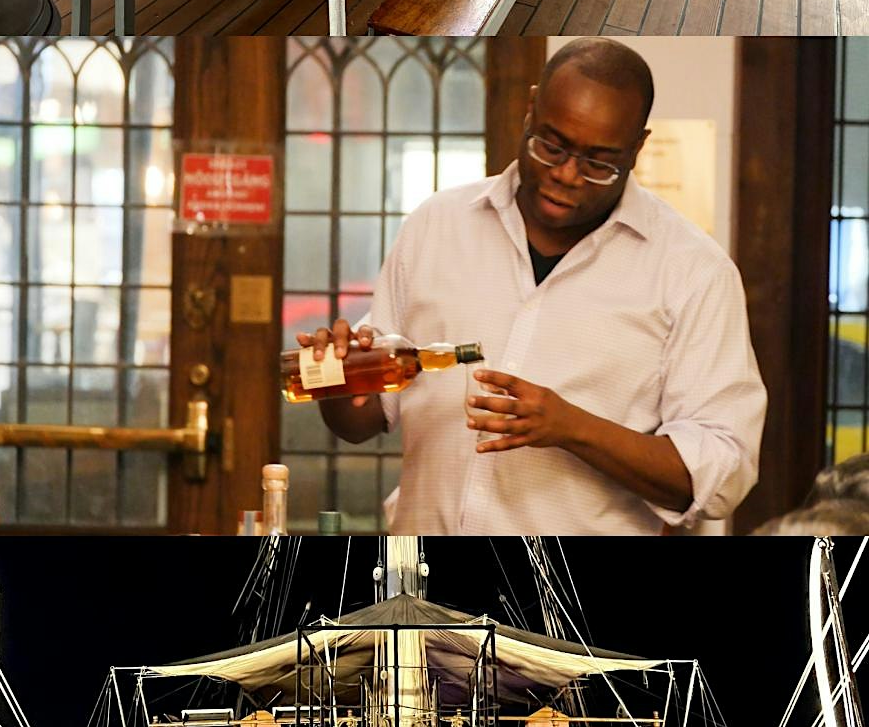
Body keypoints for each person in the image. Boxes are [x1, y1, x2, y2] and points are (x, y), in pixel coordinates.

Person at [294, 39, 765, 534]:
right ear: (530, 109)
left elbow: (722, 471)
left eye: (599, 164)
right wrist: (340, 380)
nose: (566, 175)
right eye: (551, 145)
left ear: (638, 147)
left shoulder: (694, 272)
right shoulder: (438, 225)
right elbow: (360, 422)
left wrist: (571, 428)